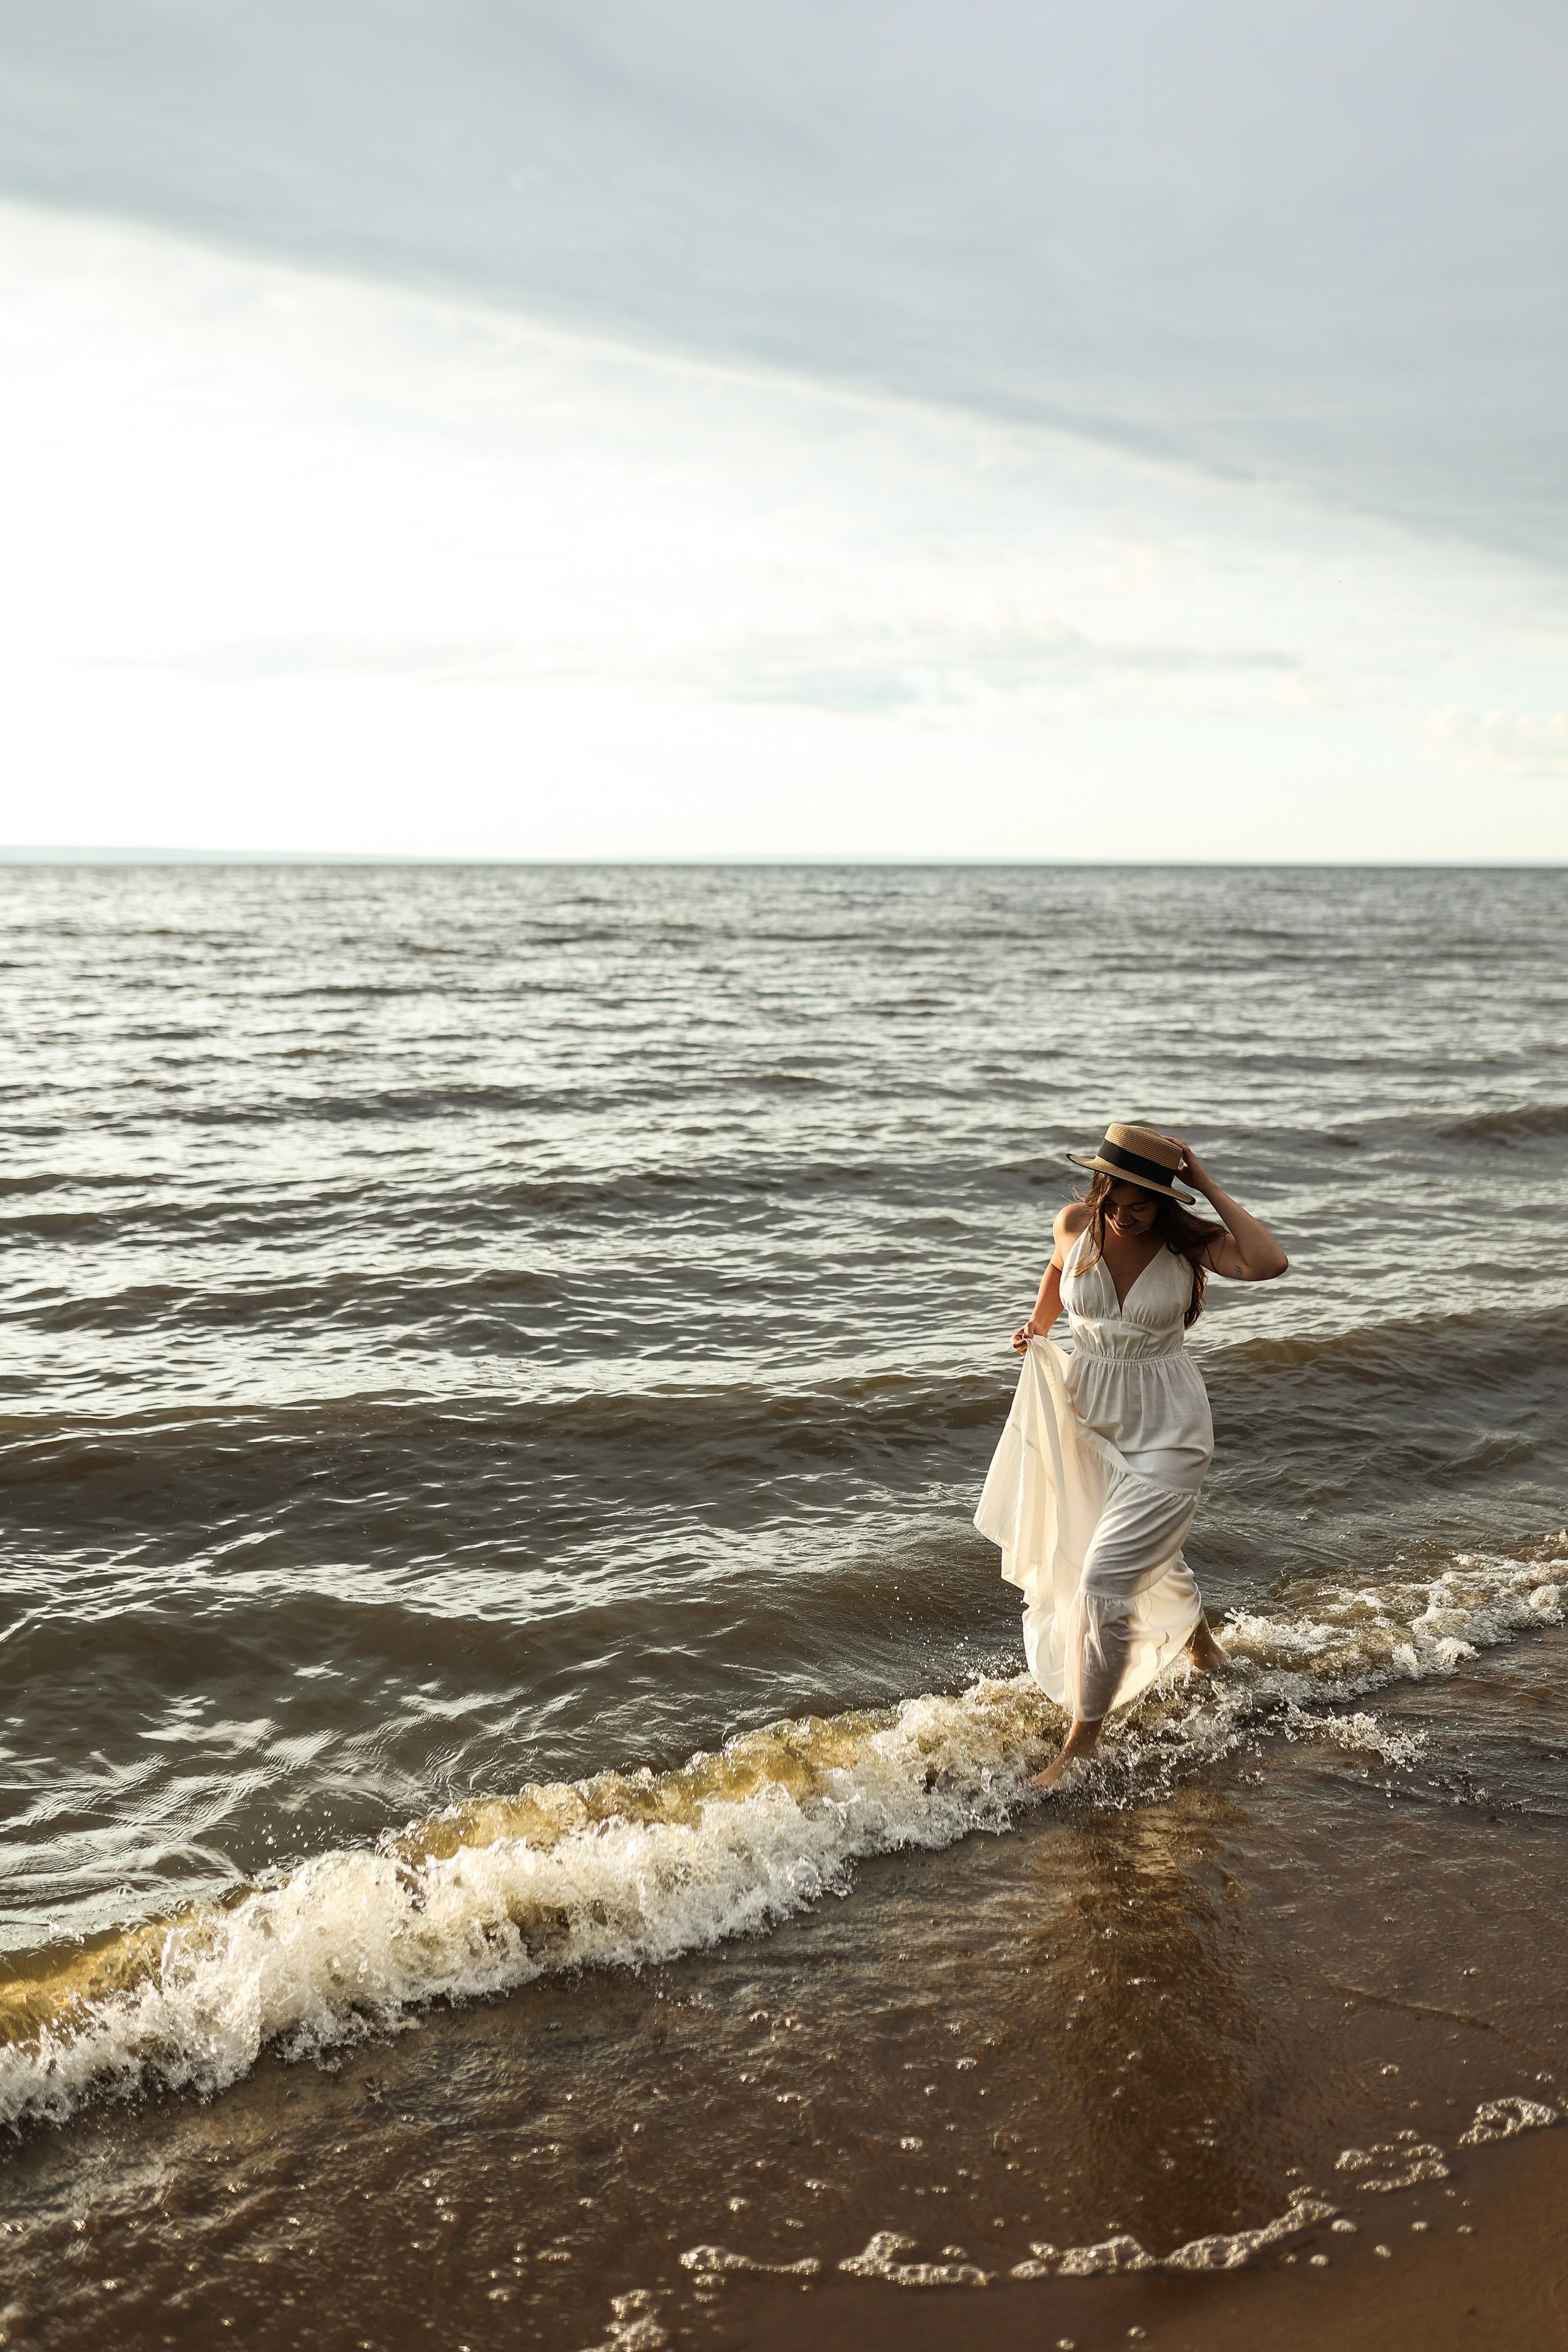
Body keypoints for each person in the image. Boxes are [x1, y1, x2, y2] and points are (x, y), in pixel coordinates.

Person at [974, 1122, 1289, 1789]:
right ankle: (1202, 1647)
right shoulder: (1074, 1224)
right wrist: (1038, 1324)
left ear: (1166, 1197)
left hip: (1168, 1429)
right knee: (1129, 1544)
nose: (1123, 1211)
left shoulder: (1190, 1242)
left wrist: (1205, 1185)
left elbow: (1269, 1263)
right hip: (1086, 1420)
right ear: (1100, 1183)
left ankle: (1080, 1747)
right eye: (1113, 1195)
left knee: (1103, 1582)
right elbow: (1059, 1271)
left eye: (1139, 1201)